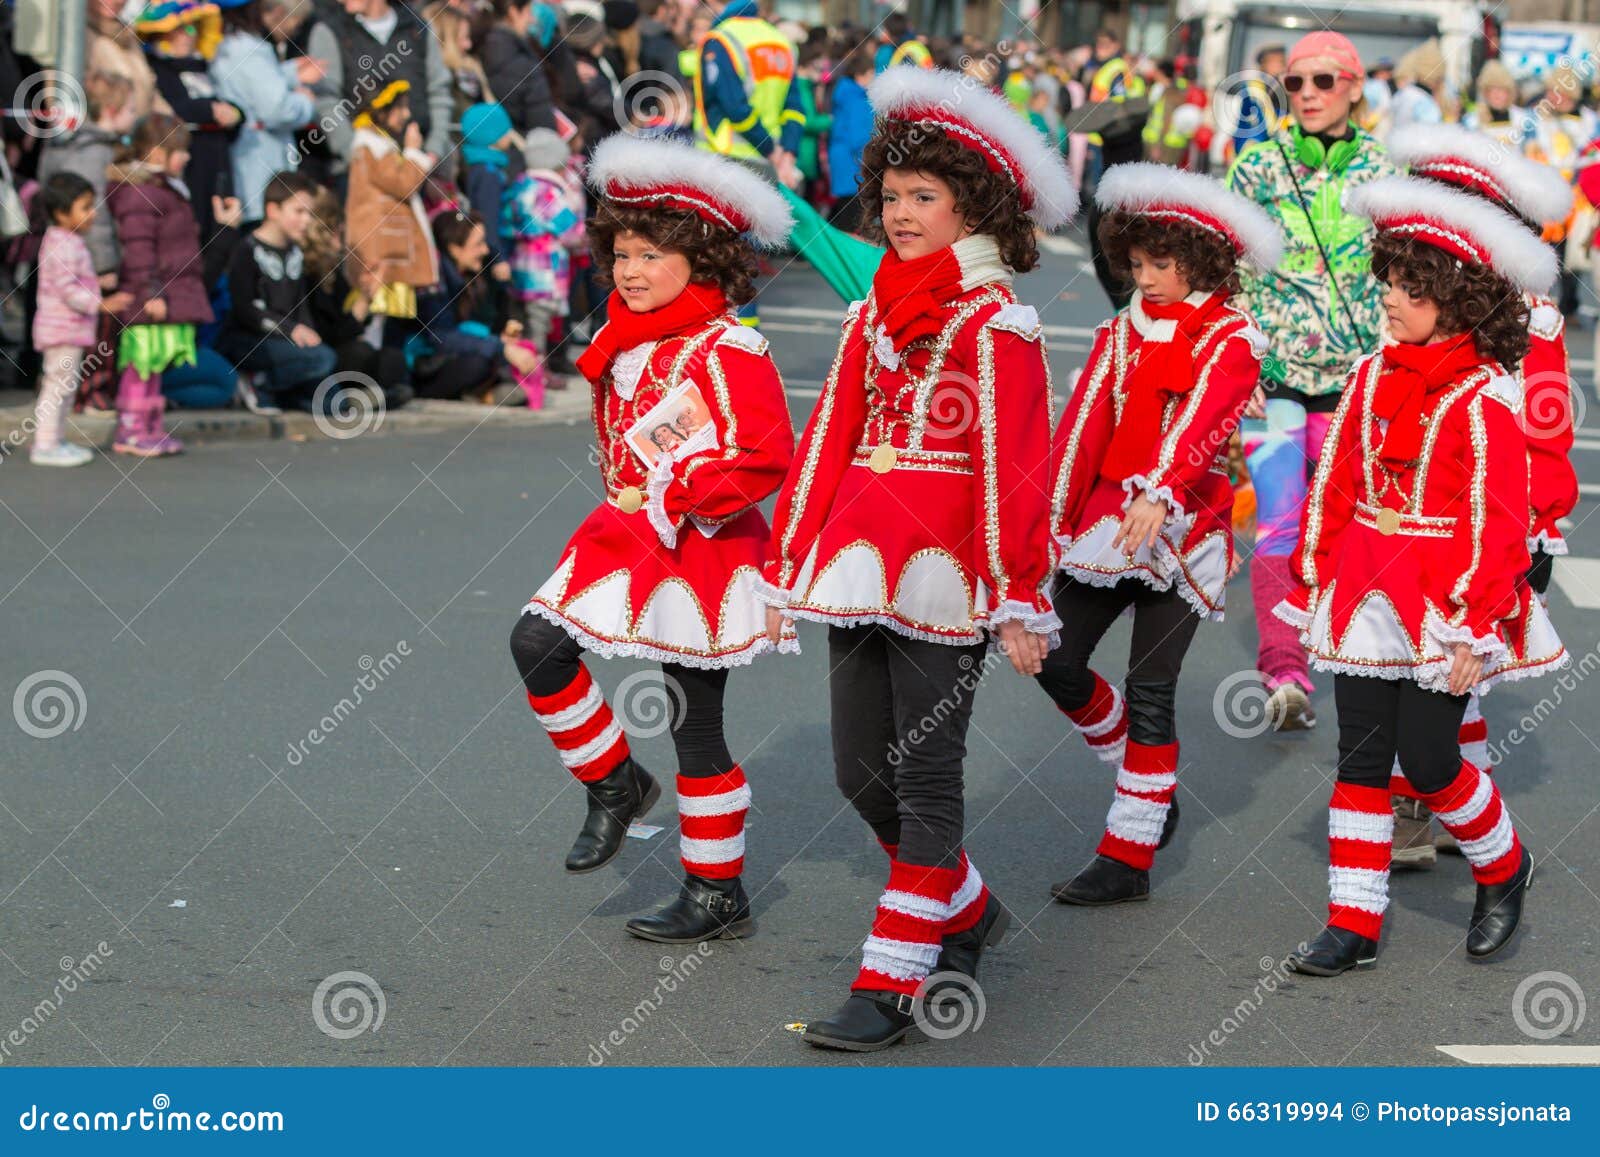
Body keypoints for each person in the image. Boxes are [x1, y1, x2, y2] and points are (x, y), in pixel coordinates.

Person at [759, 68, 1073, 1051]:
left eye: (921, 198)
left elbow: (1020, 469)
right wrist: (785, 563)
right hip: (859, 555)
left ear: (970, 206)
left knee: (925, 777)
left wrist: (1021, 593)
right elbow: (828, 441)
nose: (898, 215)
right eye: (889, 198)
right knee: (861, 772)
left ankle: (888, 981)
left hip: (951, 569)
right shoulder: (872, 310)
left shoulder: (998, 325)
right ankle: (967, 911)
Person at [509, 134, 796, 942]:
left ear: (701, 257)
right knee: (536, 643)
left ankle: (716, 888)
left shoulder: (727, 346)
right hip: (624, 530)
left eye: (653, 254)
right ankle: (613, 783)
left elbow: (766, 454)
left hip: (700, 546)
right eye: (623, 253)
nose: (631, 271)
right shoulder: (625, 342)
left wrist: (685, 488)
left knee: (692, 720)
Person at [1277, 174, 1565, 975]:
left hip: (1444, 600)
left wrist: (1475, 622)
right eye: (1390, 284)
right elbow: (1334, 487)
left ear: (1460, 299)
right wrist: (1313, 579)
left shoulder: (1484, 398)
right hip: (1368, 588)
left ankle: (1505, 869)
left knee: (1433, 761)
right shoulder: (1371, 376)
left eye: (1412, 288)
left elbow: (1500, 520)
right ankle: (1353, 921)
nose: (1392, 300)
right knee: (1361, 756)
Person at [1038, 164, 1278, 906]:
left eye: (1161, 263)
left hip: (1185, 528)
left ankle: (1129, 851)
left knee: (1150, 687)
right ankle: (1145, 779)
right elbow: (1082, 427)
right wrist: (1048, 516)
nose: (1144, 277)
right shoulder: (1122, 331)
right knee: (1055, 658)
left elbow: (1206, 419)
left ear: (1202, 260)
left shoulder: (1232, 335)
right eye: (1135, 263)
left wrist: (1162, 489)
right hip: (1106, 525)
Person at [1380, 124, 1577, 864]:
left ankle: (1435, 807)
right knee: (1420, 668)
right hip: (1418, 519)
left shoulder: (1531, 315)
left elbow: (1547, 433)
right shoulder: (1416, 300)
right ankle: (1450, 803)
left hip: (1496, 526)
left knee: (1447, 675)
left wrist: (1527, 530)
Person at [1226, 31, 1396, 731]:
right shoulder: (1257, 168)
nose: (1308, 96)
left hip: (1355, 387)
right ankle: (1284, 669)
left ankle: (1362, 655)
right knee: (1278, 521)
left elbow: (1405, 277)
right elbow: (1225, 274)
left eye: (1324, 82)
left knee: (1348, 531)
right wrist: (1240, 369)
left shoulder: (1385, 172)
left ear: (1354, 88)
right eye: (1295, 84)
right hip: (1277, 385)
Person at [106, 114, 216, 456]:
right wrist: (150, 291)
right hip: (152, 295)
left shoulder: (163, 189)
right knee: (142, 363)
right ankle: (132, 429)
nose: (186, 158)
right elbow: (139, 249)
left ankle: (150, 425)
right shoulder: (143, 193)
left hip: (167, 291)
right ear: (156, 154)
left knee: (154, 365)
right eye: (179, 150)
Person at [28, 173, 134, 467]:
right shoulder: (61, 244)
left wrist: (99, 282)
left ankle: (56, 439)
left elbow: (74, 282)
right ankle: (45, 444)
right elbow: (67, 289)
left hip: (69, 331)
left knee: (65, 389)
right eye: (85, 207)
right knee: (57, 389)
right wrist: (101, 303)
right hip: (61, 331)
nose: (93, 213)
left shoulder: (67, 241)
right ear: (62, 213)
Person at [215, 171, 339, 412]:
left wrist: (308, 333)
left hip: (289, 345)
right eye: (299, 212)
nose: (306, 221)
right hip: (250, 341)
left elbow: (300, 306)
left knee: (333, 401)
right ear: (273, 211)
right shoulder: (246, 249)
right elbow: (244, 309)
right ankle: (258, 383)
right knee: (323, 359)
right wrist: (291, 330)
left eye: (310, 214)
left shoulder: (295, 253)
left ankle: (284, 393)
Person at [308, 0, 455, 178]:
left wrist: (433, 151)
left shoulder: (417, 27)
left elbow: (439, 92)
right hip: (358, 174)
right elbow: (325, 100)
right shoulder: (329, 31)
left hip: (419, 167)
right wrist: (354, 152)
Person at [134, 0, 241, 244]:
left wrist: (235, 115)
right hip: (185, 159)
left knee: (220, 227)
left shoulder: (203, 67)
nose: (187, 36)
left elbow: (228, 104)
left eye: (193, 28)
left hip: (217, 159)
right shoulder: (158, 67)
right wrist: (209, 110)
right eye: (180, 29)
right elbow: (173, 107)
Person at [210, 0, 316, 224]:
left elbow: (252, 86)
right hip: (258, 169)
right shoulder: (249, 48)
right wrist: (305, 102)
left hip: (250, 166)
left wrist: (289, 74)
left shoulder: (233, 44)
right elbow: (277, 110)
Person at [414, 209, 538, 401]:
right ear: (455, 248)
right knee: (479, 363)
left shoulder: (473, 278)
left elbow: (482, 325)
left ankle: (484, 391)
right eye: (478, 244)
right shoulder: (434, 282)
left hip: (454, 354)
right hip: (424, 362)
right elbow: (442, 337)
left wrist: (502, 341)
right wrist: (500, 347)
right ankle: (481, 392)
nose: (485, 250)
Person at [344, 81, 439, 327]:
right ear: (381, 110)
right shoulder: (372, 147)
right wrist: (413, 152)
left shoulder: (377, 144)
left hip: (387, 249)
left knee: (386, 327)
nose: (407, 115)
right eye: (401, 108)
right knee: (377, 323)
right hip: (383, 253)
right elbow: (404, 184)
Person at [1080, 25, 1147, 309]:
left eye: (1105, 43)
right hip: (1115, 139)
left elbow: (1116, 104)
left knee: (1105, 208)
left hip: (1113, 137)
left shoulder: (1115, 70)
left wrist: (1109, 123)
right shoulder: (1111, 68)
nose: (1099, 48)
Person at [503, 129, 585, 359]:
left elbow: (507, 221)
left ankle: (523, 368)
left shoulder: (519, 185)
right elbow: (570, 231)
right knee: (539, 325)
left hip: (520, 263)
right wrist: (581, 234)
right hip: (544, 270)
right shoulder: (549, 191)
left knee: (522, 323)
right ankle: (537, 371)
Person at [478, 0, 558, 134]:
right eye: (528, 12)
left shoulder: (478, 50)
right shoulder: (526, 67)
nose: (532, 20)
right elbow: (545, 134)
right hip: (528, 148)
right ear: (513, 12)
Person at [824, 49, 875, 231]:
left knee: (840, 211)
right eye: (871, 74)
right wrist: (871, 161)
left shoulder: (844, 93)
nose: (873, 79)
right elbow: (859, 135)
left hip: (842, 157)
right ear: (859, 75)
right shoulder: (857, 99)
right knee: (849, 218)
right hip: (853, 162)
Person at [1464, 60, 1532, 147]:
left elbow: (1530, 151)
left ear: (1509, 92)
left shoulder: (1523, 118)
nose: (1496, 94)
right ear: (1485, 92)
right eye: (1492, 89)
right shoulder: (1472, 120)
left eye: (1501, 89)